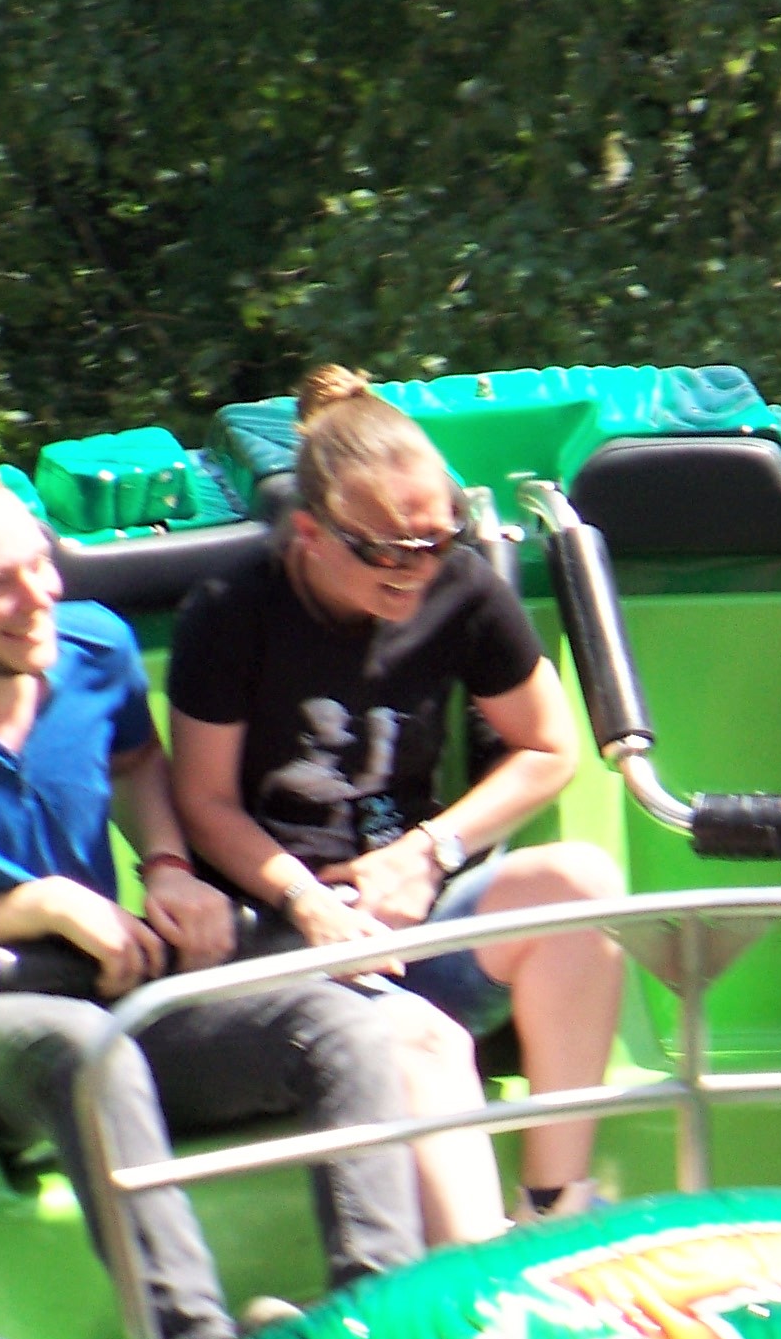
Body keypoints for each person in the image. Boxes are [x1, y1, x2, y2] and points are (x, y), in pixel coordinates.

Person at [0, 462, 477, 1339]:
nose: (38, 596)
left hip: (118, 986)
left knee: (344, 1025)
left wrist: (167, 866)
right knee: (90, 1055)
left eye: (40, 563)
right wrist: (40, 904)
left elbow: (138, 763)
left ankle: (375, 1334)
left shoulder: (95, 647)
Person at [169, 366, 628, 1224]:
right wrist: (308, 902)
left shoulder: (461, 588)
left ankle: (555, 1202)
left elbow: (549, 746)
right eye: (386, 551)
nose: (415, 570)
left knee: (583, 884)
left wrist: (429, 852)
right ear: (312, 533)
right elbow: (204, 801)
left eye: (438, 540)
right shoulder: (232, 610)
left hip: (411, 912)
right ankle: (476, 1281)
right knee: (425, 1042)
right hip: (279, 935)